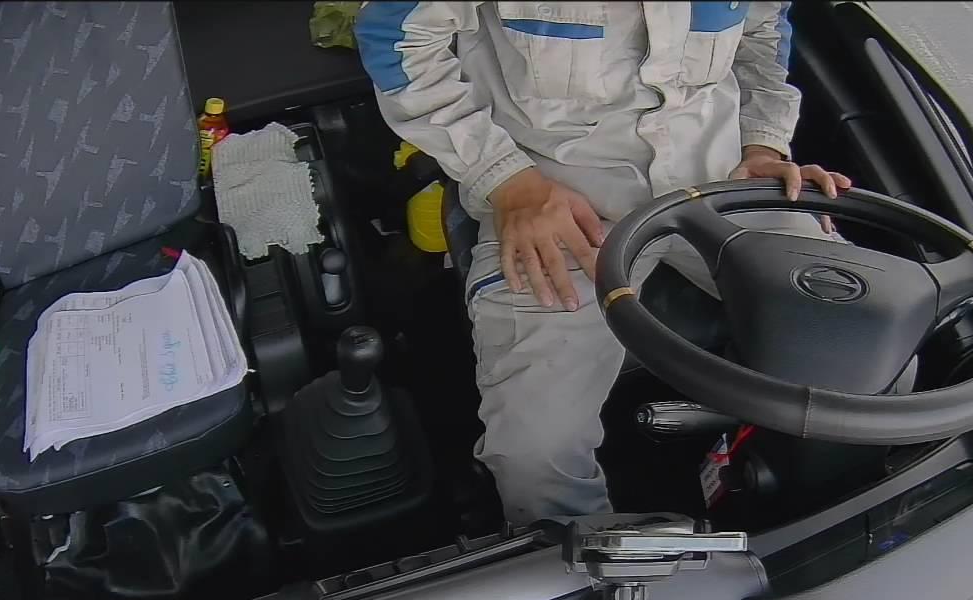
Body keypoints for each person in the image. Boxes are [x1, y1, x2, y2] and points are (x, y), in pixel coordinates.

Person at [356, 2, 851, 524]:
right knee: (536, 457)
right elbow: (395, 36)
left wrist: (764, 145)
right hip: (557, 204)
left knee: (868, 344)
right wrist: (508, 181)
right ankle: (596, 565)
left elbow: (764, 30)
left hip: (726, 179)